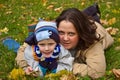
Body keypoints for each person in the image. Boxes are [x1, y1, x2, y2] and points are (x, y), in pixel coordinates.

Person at [15, 8, 114, 79]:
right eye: (61, 32)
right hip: (69, 23)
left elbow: (97, 72)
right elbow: (22, 50)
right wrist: (28, 67)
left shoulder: (92, 41)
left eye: (71, 34)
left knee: (90, 18)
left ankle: (92, 12)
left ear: (80, 34)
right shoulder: (55, 31)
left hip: (96, 28)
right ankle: (38, 28)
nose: (65, 38)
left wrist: (63, 64)